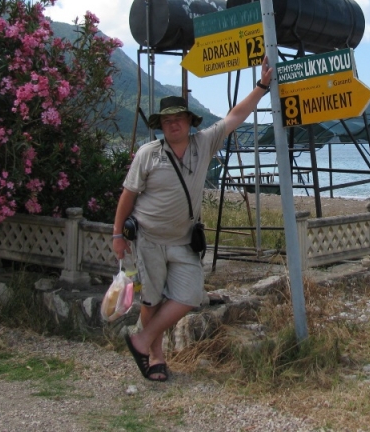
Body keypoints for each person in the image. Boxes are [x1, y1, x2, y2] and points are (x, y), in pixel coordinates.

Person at [111, 58, 272, 382]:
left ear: (189, 121)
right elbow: (128, 195)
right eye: (168, 120)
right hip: (149, 240)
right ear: (161, 125)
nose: (174, 124)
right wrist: (117, 234)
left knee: (189, 295)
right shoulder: (148, 154)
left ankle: (140, 340)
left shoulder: (203, 144)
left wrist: (262, 86)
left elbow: (235, 116)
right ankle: (155, 356)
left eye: (179, 118)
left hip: (184, 241)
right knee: (152, 298)